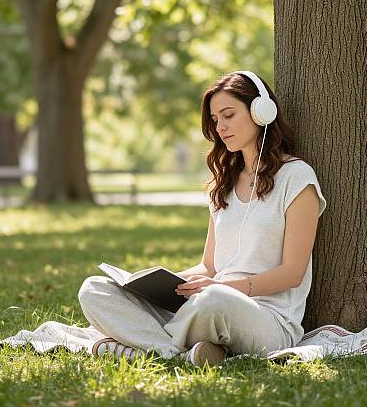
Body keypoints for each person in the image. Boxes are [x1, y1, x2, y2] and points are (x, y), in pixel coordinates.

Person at [78, 70, 327, 367]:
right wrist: (162, 282)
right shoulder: (223, 183)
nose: (220, 127)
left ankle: (144, 347)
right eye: (214, 120)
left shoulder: (297, 177)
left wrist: (221, 289)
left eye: (228, 115)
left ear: (261, 111)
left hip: (267, 318)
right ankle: (182, 353)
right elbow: (209, 266)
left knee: (211, 302)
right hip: (206, 304)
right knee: (95, 289)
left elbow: (292, 273)